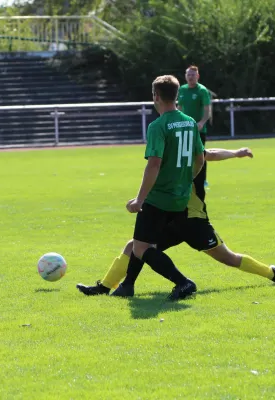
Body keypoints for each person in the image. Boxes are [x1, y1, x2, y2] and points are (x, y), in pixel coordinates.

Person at [76, 147, 275, 297]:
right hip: (171, 218)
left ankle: (273, 273)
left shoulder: (192, 156)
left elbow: (210, 153)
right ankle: (106, 287)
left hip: (194, 221)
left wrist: (236, 153)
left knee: (228, 258)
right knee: (135, 245)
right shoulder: (168, 156)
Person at [111, 75, 205, 301]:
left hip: (158, 198)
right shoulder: (190, 122)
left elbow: (154, 163)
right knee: (143, 241)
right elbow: (200, 158)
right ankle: (127, 286)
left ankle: (183, 283)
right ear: (177, 95)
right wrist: (185, 181)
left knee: (142, 248)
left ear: (155, 96)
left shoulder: (158, 125)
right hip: (180, 198)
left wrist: (139, 199)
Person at [178, 65, 212, 187]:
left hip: (198, 129)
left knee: (200, 155)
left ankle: (202, 180)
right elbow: (180, 108)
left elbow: (207, 109)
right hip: (184, 128)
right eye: (188, 74)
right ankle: (186, 179)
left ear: (197, 76)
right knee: (184, 154)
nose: (190, 77)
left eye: (193, 75)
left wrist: (202, 122)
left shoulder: (202, 90)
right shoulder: (182, 89)